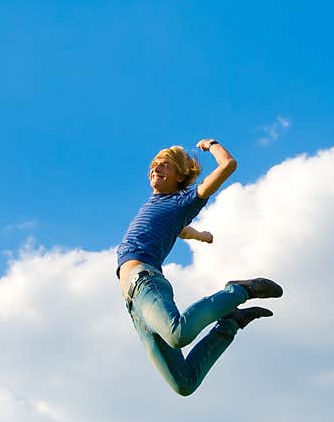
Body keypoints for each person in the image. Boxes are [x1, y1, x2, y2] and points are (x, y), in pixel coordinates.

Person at [116, 138, 283, 396]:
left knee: (179, 333)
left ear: (180, 175)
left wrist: (211, 145)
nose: (155, 168)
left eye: (165, 165)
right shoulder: (159, 205)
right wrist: (201, 235)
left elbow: (228, 165)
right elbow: (181, 230)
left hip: (145, 281)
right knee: (184, 383)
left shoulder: (184, 200)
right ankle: (231, 322)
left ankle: (240, 291)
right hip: (134, 305)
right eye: (153, 165)